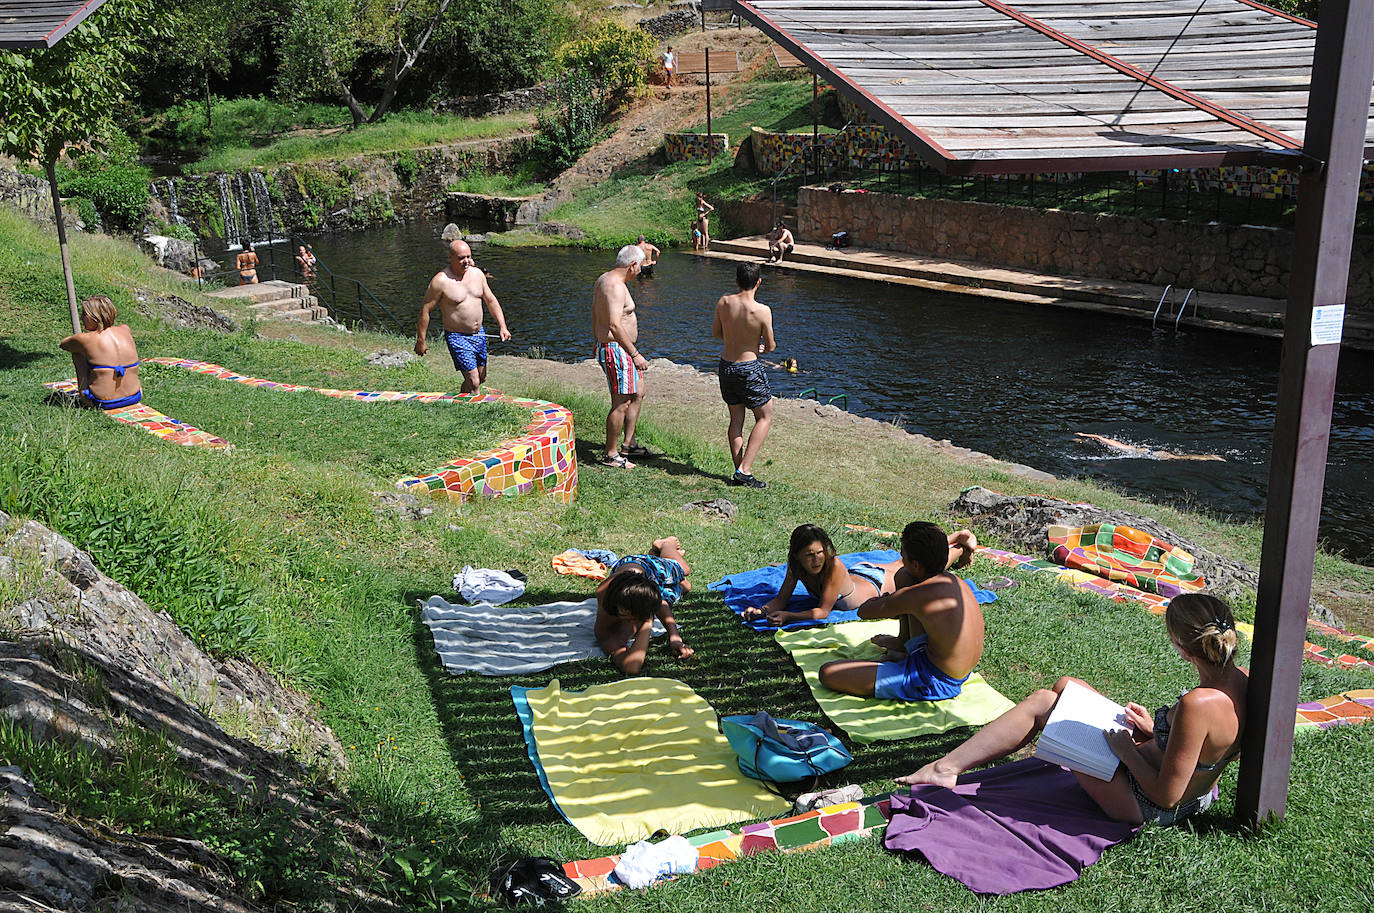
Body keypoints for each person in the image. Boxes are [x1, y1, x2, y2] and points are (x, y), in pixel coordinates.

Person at [899, 593, 1247, 827]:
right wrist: (1150, 731)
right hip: (1186, 787)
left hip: (1145, 804)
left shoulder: (1196, 704)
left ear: (1182, 648)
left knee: (1043, 704)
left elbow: (1166, 796)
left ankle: (945, 769)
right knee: (1066, 686)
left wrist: (1127, 751)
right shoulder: (1240, 681)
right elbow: (1205, 747)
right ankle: (950, 766)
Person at [818, 521, 984, 703]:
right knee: (903, 576)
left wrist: (891, 599)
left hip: (933, 680)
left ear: (916, 565)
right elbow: (905, 579)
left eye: (902, 555)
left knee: (829, 673)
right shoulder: (954, 582)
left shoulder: (916, 595)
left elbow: (864, 611)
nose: (901, 560)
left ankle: (901, 661)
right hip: (957, 668)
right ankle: (902, 645)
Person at [746, 526, 978, 627]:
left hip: (877, 584)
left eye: (820, 553)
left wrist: (788, 616)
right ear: (797, 555)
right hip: (861, 573)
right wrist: (761, 610)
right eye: (809, 555)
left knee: (921, 569)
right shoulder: (795, 565)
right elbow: (781, 598)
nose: (816, 559)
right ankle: (958, 537)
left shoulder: (834, 565)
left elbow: (822, 612)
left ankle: (958, 546)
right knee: (901, 562)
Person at [414, 239, 511, 394]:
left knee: (481, 377)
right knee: (474, 382)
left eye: (468, 256)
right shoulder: (441, 281)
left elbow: (491, 301)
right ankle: (476, 414)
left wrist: (503, 326)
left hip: (479, 334)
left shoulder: (478, 275)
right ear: (450, 257)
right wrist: (421, 340)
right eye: (461, 258)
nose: (466, 261)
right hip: (457, 336)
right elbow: (425, 310)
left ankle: (460, 400)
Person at [712, 261, 775, 488]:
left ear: (736, 281)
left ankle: (740, 471)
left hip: (726, 365)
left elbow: (717, 333)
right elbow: (770, 346)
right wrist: (756, 346)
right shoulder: (762, 311)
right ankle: (744, 470)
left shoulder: (724, 302)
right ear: (759, 282)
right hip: (749, 368)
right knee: (765, 416)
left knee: (736, 420)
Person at [595, 536, 695, 674]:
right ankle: (661, 557)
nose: (635, 621)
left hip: (642, 566)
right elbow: (631, 668)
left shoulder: (638, 592)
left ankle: (665, 545)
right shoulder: (605, 630)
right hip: (631, 578)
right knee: (685, 587)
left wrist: (674, 636)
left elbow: (660, 603)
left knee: (684, 570)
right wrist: (648, 622)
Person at [591, 245, 651, 468]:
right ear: (632, 265)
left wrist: (594, 340)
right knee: (621, 402)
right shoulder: (615, 286)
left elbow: (594, 311)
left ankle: (628, 444)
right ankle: (611, 454)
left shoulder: (604, 279)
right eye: (640, 267)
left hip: (615, 347)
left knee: (638, 392)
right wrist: (635, 354)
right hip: (617, 349)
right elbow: (614, 324)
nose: (641, 272)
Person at [58, 295, 142, 409]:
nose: (82, 318)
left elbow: (63, 345)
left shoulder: (85, 339)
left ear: (95, 317)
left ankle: (84, 392)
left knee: (77, 353)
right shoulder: (125, 329)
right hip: (135, 396)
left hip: (101, 402)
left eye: (84, 314)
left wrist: (80, 343)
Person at [1076, 432, 1225, 462]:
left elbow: (1099, 438)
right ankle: (1209, 457)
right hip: (1147, 451)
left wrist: (1084, 434)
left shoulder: (1113, 445)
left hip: (1150, 454)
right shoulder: (1119, 446)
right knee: (1178, 456)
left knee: (1180, 458)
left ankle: (1209, 458)